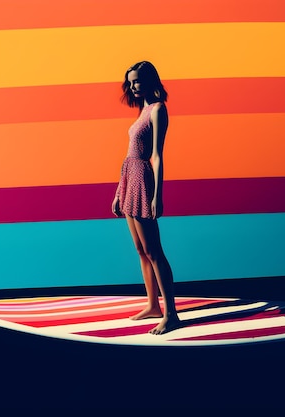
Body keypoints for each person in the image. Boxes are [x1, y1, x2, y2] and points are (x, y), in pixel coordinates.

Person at [112, 61, 180, 335]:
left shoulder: (158, 110)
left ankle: (171, 314)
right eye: (130, 82)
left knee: (154, 251)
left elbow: (156, 155)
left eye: (137, 81)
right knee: (141, 250)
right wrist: (119, 191)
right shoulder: (142, 110)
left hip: (143, 178)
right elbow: (129, 154)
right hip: (129, 176)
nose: (133, 86)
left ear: (151, 80)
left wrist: (157, 196)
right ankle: (153, 305)